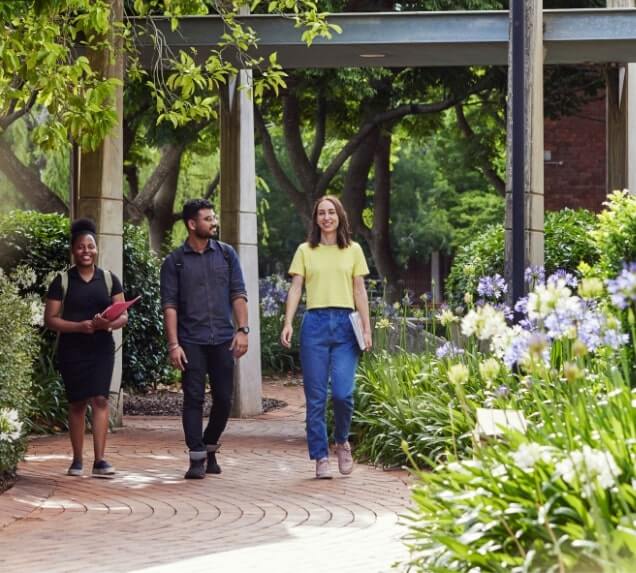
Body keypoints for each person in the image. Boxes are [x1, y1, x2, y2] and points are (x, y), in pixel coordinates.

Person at [281, 195, 372, 479]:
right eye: (321, 213)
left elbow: (359, 290)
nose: (327, 217)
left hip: (346, 325)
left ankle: (342, 441)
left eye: (331, 212)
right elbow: (296, 289)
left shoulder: (353, 250)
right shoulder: (305, 250)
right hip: (315, 325)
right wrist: (288, 322)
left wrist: (367, 328)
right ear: (316, 218)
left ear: (340, 216)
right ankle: (320, 456)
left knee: (344, 394)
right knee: (316, 397)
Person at [160, 199, 249, 480]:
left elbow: (238, 293)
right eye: (208, 219)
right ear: (192, 224)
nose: (214, 223)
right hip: (191, 341)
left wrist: (243, 330)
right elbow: (170, 305)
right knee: (194, 398)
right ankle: (197, 456)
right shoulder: (174, 262)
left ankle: (209, 445)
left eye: (214, 218)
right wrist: (173, 344)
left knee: (224, 399)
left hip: (223, 338)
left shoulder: (226, 254)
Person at [44, 218, 128, 477]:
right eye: (81, 247)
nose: (86, 251)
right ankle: (78, 460)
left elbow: (123, 315)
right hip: (73, 349)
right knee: (78, 403)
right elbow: (51, 319)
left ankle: (100, 460)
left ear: (96, 248)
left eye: (90, 246)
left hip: (102, 347)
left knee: (101, 399)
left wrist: (107, 324)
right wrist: (79, 326)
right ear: (73, 250)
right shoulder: (62, 281)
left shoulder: (109, 279)